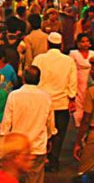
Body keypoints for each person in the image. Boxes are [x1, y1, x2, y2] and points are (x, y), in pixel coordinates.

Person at [0, 66, 56, 183]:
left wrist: (3, 141)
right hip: (38, 146)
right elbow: (50, 123)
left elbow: (6, 123)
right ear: (39, 80)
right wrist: (50, 137)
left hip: (17, 149)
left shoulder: (14, 95)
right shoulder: (46, 97)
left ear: (23, 79)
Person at [32, 32, 78, 172]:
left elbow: (33, 77)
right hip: (61, 103)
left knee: (42, 131)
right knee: (59, 134)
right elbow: (72, 81)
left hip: (42, 102)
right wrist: (72, 98)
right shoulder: (68, 60)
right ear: (61, 45)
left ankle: (41, 158)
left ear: (48, 44)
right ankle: (54, 161)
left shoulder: (39, 59)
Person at [69, 34, 94, 127]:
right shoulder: (73, 53)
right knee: (79, 102)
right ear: (78, 43)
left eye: (87, 41)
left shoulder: (93, 54)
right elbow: (70, 68)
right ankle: (78, 124)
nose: (85, 44)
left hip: (91, 80)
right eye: (82, 41)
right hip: (77, 80)